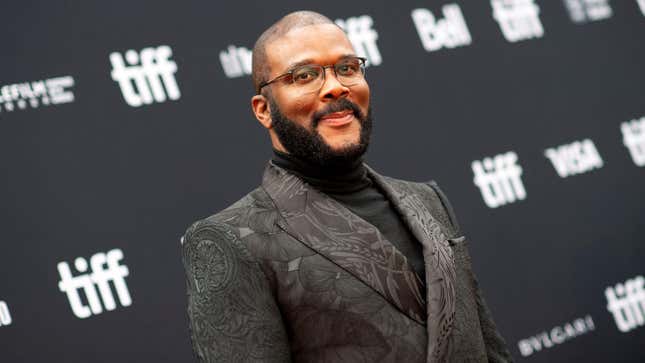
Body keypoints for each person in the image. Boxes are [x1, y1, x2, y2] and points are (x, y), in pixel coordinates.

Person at [181, 10, 513, 363]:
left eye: (348, 68)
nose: (336, 86)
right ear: (264, 110)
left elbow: (487, 347)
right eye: (304, 75)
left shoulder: (428, 200)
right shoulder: (227, 239)